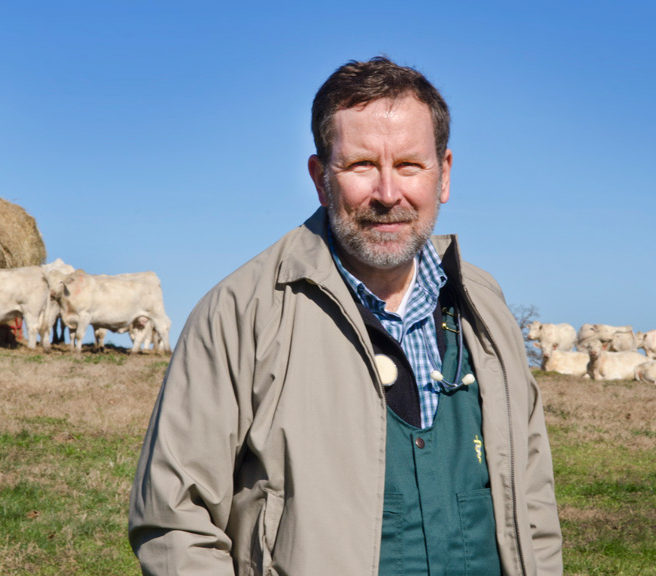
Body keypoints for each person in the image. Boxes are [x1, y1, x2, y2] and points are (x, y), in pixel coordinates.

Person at [129, 56, 562, 576]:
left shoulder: (484, 306)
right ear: (320, 178)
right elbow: (174, 523)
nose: (387, 193)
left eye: (409, 165)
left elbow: (532, 499)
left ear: (443, 174)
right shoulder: (241, 314)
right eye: (360, 166)